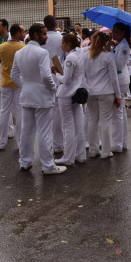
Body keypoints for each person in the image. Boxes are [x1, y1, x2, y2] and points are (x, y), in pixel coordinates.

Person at [11, 23, 65, 175]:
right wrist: (53, 89)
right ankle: (48, 166)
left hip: (27, 95)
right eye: (44, 34)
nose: (46, 37)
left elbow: (14, 75)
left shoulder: (19, 53)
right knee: (44, 132)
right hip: (42, 96)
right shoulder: (42, 53)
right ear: (36, 35)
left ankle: (25, 161)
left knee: (26, 131)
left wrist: (26, 85)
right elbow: (46, 76)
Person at [84, 31, 122, 159]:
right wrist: (118, 96)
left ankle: (93, 150)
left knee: (92, 121)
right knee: (105, 122)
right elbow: (114, 78)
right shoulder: (108, 56)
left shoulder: (86, 56)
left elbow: (83, 75)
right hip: (106, 92)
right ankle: (106, 151)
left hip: (90, 92)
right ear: (106, 42)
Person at [53, 33, 86, 166]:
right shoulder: (80, 53)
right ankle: (80, 155)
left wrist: (56, 73)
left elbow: (66, 80)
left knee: (68, 126)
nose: (61, 45)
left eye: (63, 42)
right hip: (76, 93)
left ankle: (68, 157)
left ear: (68, 44)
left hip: (66, 94)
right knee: (78, 125)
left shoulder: (70, 58)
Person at [0, 24, 26, 150]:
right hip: (19, 83)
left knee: (4, 112)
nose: (24, 34)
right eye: (23, 32)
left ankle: (0, 142)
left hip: (5, 83)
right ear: (17, 33)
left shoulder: (1, 47)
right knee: (19, 113)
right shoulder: (23, 47)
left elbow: (1, 61)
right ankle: (20, 143)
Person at [42, 15, 65, 153]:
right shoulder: (61, 38)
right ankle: (58, 144)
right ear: (56, 23)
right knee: (57, 112)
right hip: (58, 76)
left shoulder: (41, 39)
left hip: (43, 77)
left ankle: (47, 144)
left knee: (45, 113)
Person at [111, 22, 131, 152]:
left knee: (117, 112)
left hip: (120, 81)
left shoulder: (124, 46)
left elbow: (119, 64)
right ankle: (122, 142)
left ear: (123, 33)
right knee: (121, 112)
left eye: (115, 32)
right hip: (120, 80)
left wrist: (109, 52)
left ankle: (117, 144)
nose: (113, 34)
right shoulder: (120, 44)